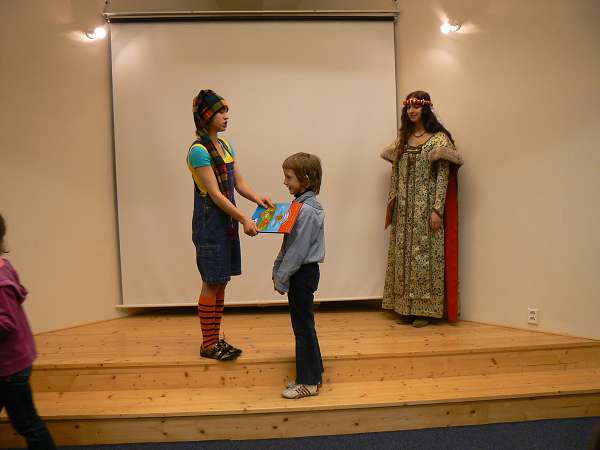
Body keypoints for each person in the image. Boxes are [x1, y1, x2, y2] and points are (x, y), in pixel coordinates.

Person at [188, 90, 273, 360]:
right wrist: (244, 218)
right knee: (211, 282)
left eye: (226, 111)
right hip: (210, 223)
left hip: (225, 221)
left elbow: (238, 182)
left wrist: (257, 198)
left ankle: (215, 340)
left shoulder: (225, 146)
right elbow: (215, 195)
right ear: (206, 116)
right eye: (221, 112)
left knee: (221, 281)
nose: (226, 116)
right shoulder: (199, 151)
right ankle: (208, 344)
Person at [381, 91, 463, 327]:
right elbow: (395, 172)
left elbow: (443, 177)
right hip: (404, 210)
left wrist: (437, 210)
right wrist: (393, 202)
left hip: (426, 210)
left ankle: (425, 311)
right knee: (403, 256)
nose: (412, 111)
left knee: (424, 257)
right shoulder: (403, 139)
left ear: (425, 109)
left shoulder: (439, 141)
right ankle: (404, 308)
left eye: (416, 107)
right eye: (409, 107)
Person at [0, 214, 57, 449]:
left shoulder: (0, 282)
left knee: (28, 424)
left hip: (10, 368)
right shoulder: (4, 265)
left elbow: (6, 323)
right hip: (10, 364)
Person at [273, 153, 325, 399]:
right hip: (300, 271)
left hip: (302, 273)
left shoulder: (306, 211)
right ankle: (314, 373)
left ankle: (308, 382)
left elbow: (297, 251)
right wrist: (278, 268)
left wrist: (282, 277)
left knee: (303, 328)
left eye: (289, 177)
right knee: (304, 326)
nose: (285, 182)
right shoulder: (299, 206)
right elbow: (289, 243)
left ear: (305, 179)